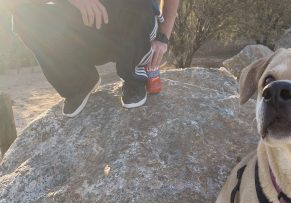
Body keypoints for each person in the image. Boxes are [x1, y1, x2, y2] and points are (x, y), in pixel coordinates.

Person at [2, 0, 179, 117]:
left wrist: (163, 36)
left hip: (132, 24)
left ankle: (134, 76)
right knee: (23, 14)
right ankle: (79, 82)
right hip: (87, 26)